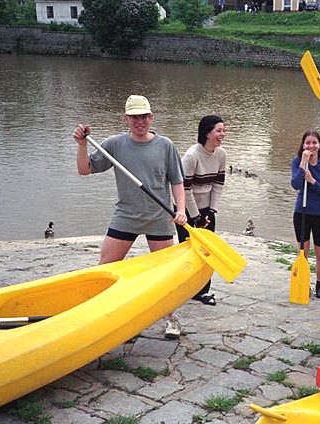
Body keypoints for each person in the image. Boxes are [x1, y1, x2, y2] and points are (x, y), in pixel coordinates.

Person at [73, 95, 188, 339]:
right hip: (126, 215)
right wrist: (82, 144)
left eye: (144, 116)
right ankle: (99, 314)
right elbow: (84, 170)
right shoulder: (114, 144)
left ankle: (171, 319)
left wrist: (180, 210)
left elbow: (177, 181)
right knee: (106, 268)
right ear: (127, 119)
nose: (140, 121)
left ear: (151, 117)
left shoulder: (165, 145)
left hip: (160, 216)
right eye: (135, 117)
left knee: (164, 273)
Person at [175, 115, 227, 306]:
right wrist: (195, 216)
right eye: (218, 131)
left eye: (223, 130)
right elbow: (184, 189)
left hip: (206, 209)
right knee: (188, 250)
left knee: (207, 251)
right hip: (186, 209)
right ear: (207, 133)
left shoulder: (221, 154)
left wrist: (211, 211)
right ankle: (185, 287)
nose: (222, 134)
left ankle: (203, 291)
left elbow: (218, 184)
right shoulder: (191, 156)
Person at [291, 130, 320, 299]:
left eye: (314, 143)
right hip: (302, 213)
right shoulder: (297, 162)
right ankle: (304, 282)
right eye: (308, 143)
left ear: (319, 144)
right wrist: (303, 163)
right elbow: (295, 184)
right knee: (303, 251)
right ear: (303, 145)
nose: (311, 146)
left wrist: (313, 182)